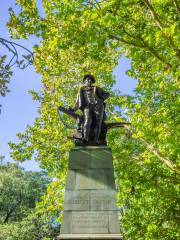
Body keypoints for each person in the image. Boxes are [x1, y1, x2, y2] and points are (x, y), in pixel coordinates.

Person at [72, 74, 109, 143]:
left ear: (92, 81)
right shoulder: (81, 90)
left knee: (98, 123)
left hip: (98, 106)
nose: (88, 81)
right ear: (84, 81)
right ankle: (85, 138)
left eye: (90, 80)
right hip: (87, 107)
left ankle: (96, 139)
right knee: (87, 121)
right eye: (87, 80)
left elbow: (107, 94)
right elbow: (77, 103)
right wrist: (72, 109)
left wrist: (101, 99)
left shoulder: (96, 88)